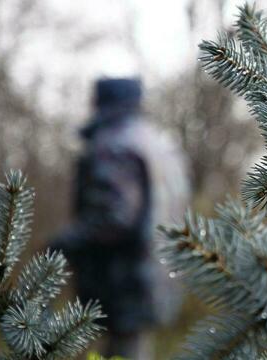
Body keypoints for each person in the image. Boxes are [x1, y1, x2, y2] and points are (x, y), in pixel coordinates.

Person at [52, 78, 190, 359]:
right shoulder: (157, 143)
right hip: (155, 277)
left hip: (125, 282)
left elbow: (114, 217)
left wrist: (64, 242)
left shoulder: (114, 144)